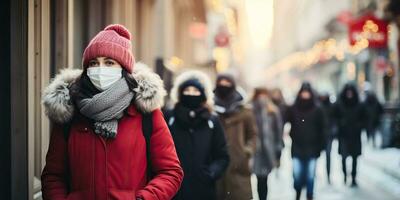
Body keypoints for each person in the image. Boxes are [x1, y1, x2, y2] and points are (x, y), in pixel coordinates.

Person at [41, 24, 183, 200]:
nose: (100, 69)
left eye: (109, 62)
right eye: (94, 63)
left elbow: (170, 172)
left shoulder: (145, 113)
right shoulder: (70, 112)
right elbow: (53, 176)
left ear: (123, 69)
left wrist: (144, 198)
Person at [165, 71, 230, 200]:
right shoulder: (169, 117)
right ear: (179, 93)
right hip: (174, 189)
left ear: (203, 94)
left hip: (203, 190)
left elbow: (222, 156)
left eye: (196, 91)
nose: (191, 94)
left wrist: (210, 173)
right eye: (187, 90)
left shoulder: (212, 121)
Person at [214, 74, 257, 200]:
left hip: (239, 166)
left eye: (227, 83)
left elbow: (253, 135)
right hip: (216, 166)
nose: (224, 86)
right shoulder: (210, 109)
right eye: (221, 82)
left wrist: (246, 151)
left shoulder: (245, 111)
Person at [285, 82, 325, 200]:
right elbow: (285, 119)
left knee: (310, 176)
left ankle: (309, 195)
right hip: (297, 147)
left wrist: (321, 145)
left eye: (307, 93)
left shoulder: (318, 109)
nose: (305, 95)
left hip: (312, 148)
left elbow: (322, 128)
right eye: (303, 93)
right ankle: (297, 192)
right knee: (297, 175)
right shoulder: (293, 108)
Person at [252, 88, 283, 200]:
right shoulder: (250, 111)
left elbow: (278, 132)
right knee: (259, 178)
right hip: (255, 151)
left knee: (264, 179)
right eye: (260, 95)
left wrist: (278, 148)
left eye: (264, 95)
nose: (262, 98)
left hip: (268, 151)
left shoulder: (273, 111)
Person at [333, 83, 366, 187]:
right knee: (343, 157)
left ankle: (354, 178)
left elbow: (364, 117)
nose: (349, 94)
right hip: (343, 135)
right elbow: (334, 117)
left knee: (355, 158)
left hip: (355, 135)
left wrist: (359, 125)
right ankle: (344, 175)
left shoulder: (359, 104)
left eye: (351, 91)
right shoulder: (340, 104)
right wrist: (340, 124)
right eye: (348, 92)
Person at [318, 93, 336, 184]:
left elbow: (334, 119)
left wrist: (333, 130)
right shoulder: (318, 106)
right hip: (319, 135)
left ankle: (328, 175)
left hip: (328, 135)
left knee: (328, 155)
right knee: (316, 156)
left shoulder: (331, 107)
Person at [270, 88, 288, 169]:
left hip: (280, 130)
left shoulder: (283, 106)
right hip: (270, 130)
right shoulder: (269, 105)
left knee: (278, 147)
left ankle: (277, 162)